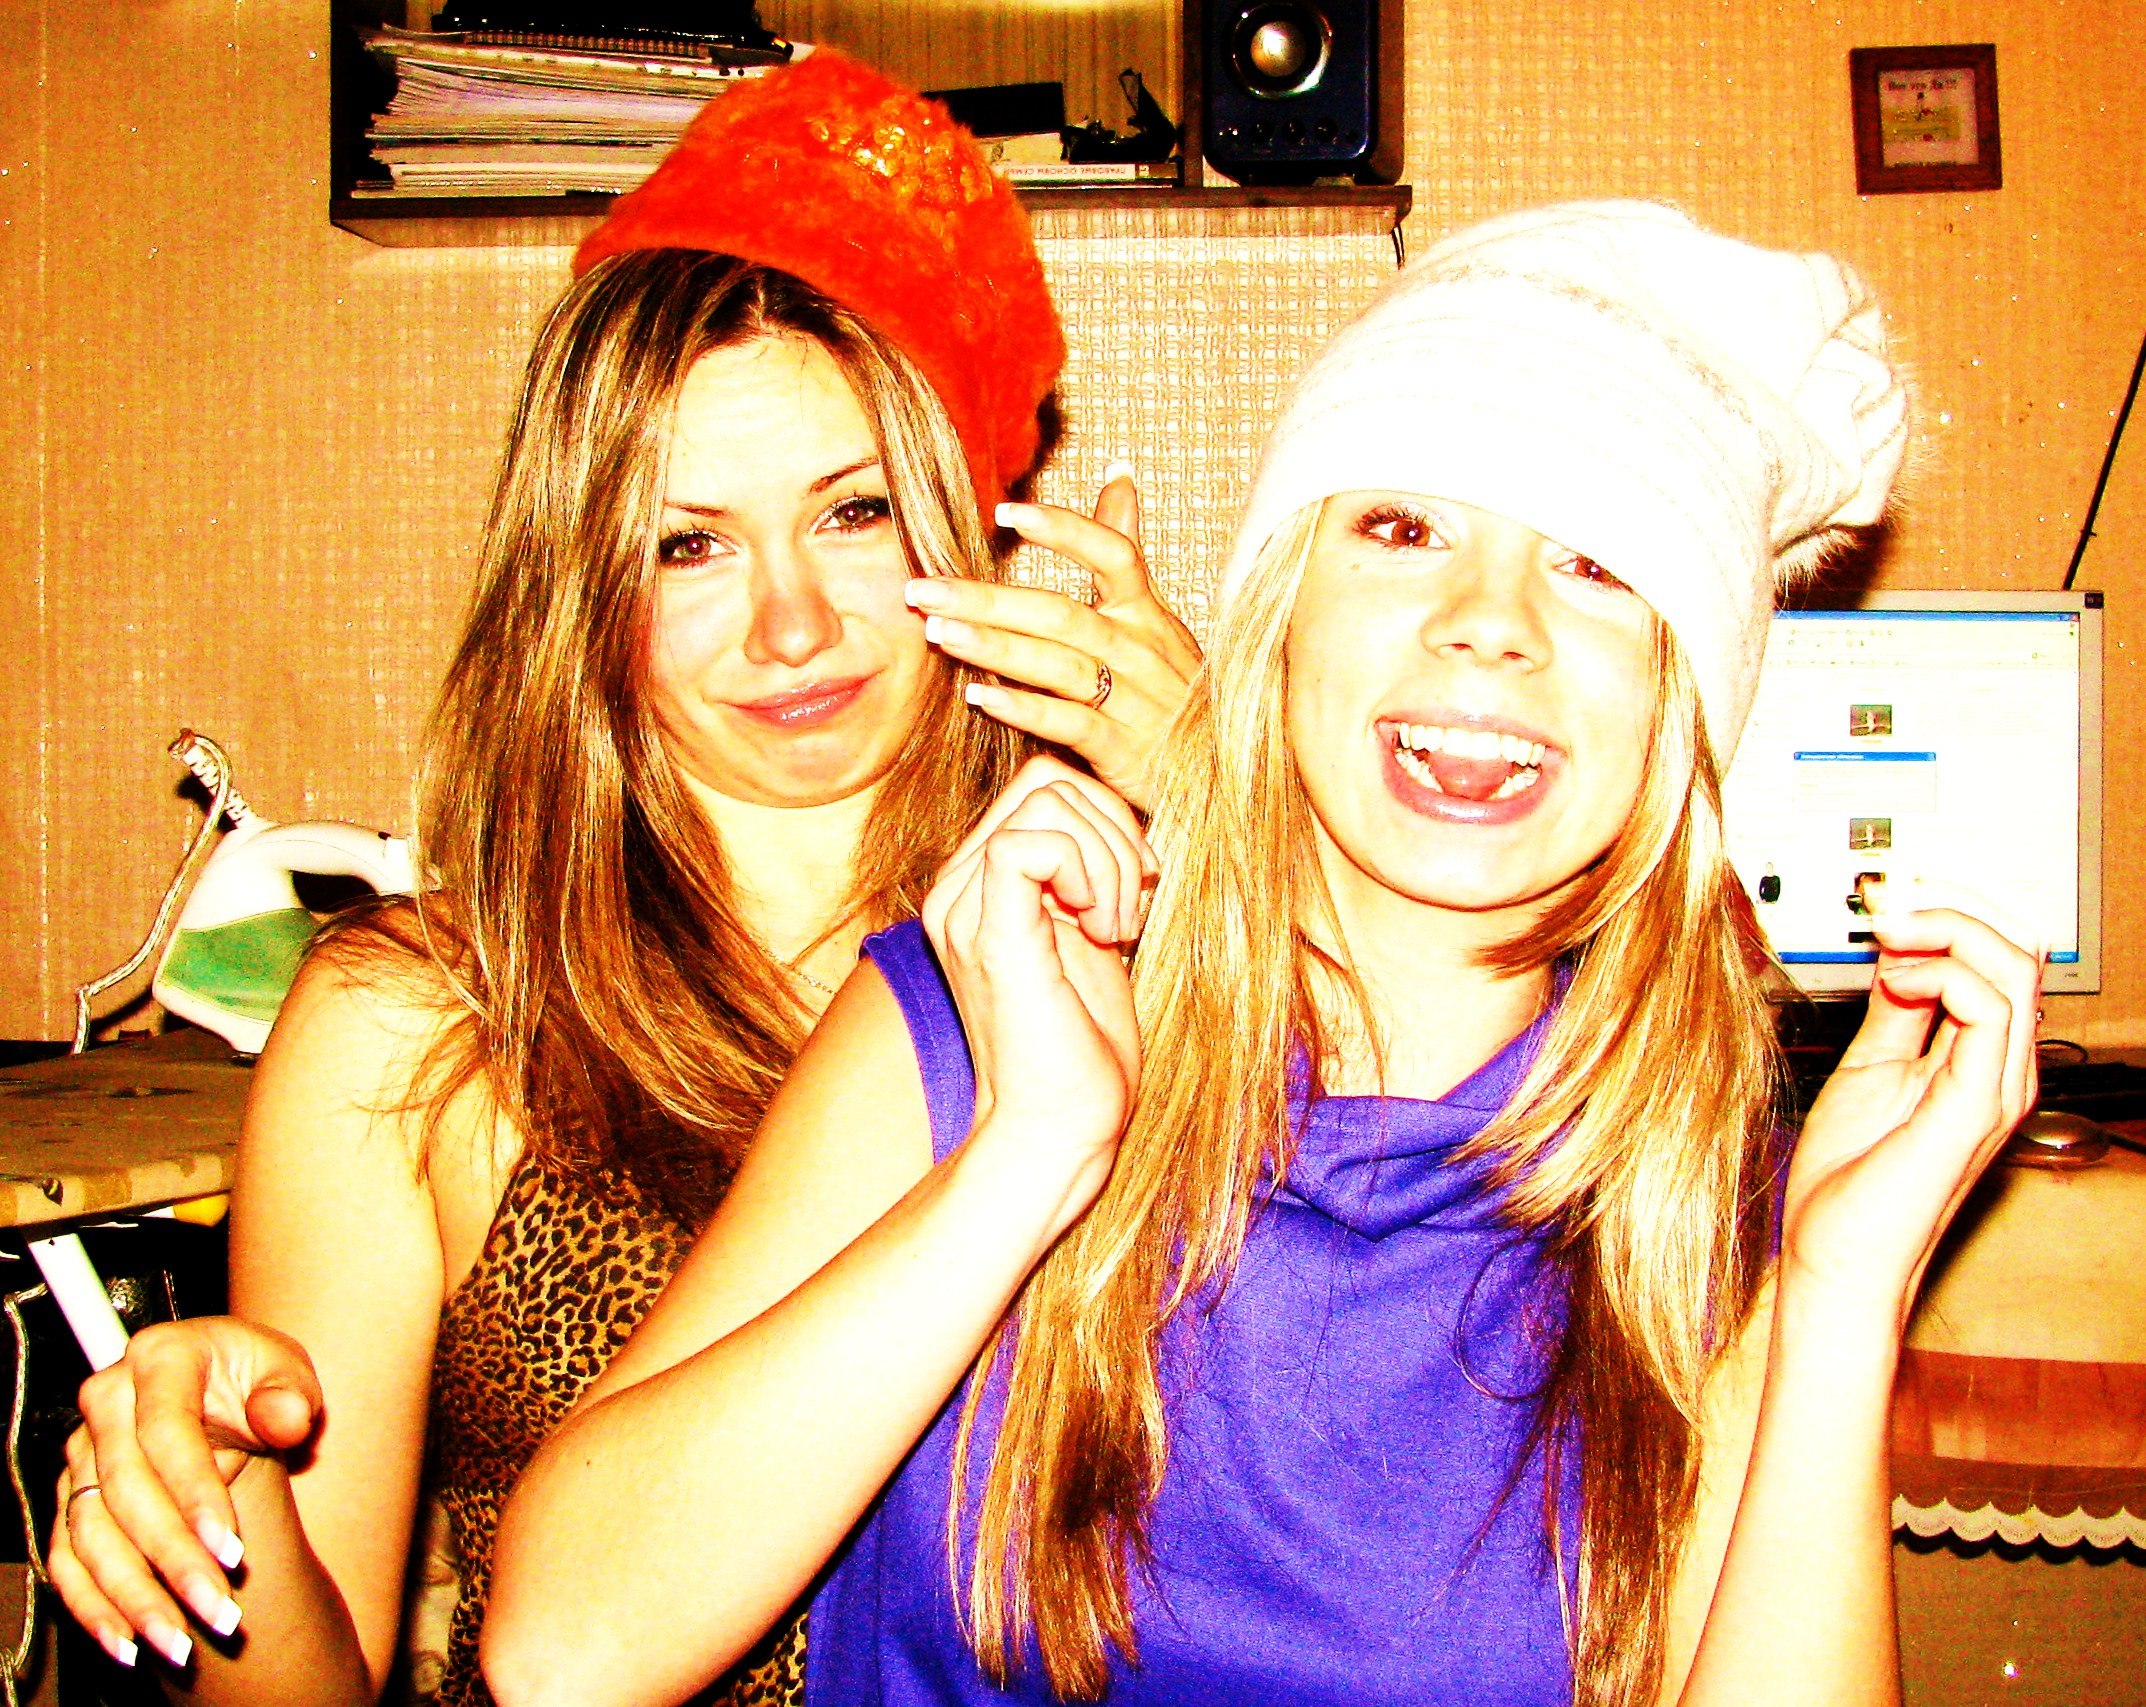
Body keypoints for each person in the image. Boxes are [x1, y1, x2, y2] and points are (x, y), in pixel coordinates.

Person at [483, 201, 2040, 1707]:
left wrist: (1841, 1287)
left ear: (1682, 708)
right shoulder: (986, 1012)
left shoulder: (1699, 1199)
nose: (1486, 622)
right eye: (1402, 529)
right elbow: (566, 1657)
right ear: (1274, 629)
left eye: (1597, 565)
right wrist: (1034, 1152)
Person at [43, 51, 1199, 1707]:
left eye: (855, 514)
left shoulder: (1125, 949)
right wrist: (224, 1510)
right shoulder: (422, 1025)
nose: (791, 627)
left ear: (968, 526)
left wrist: (1232, 835)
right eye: (690, 544)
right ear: (584, 586)